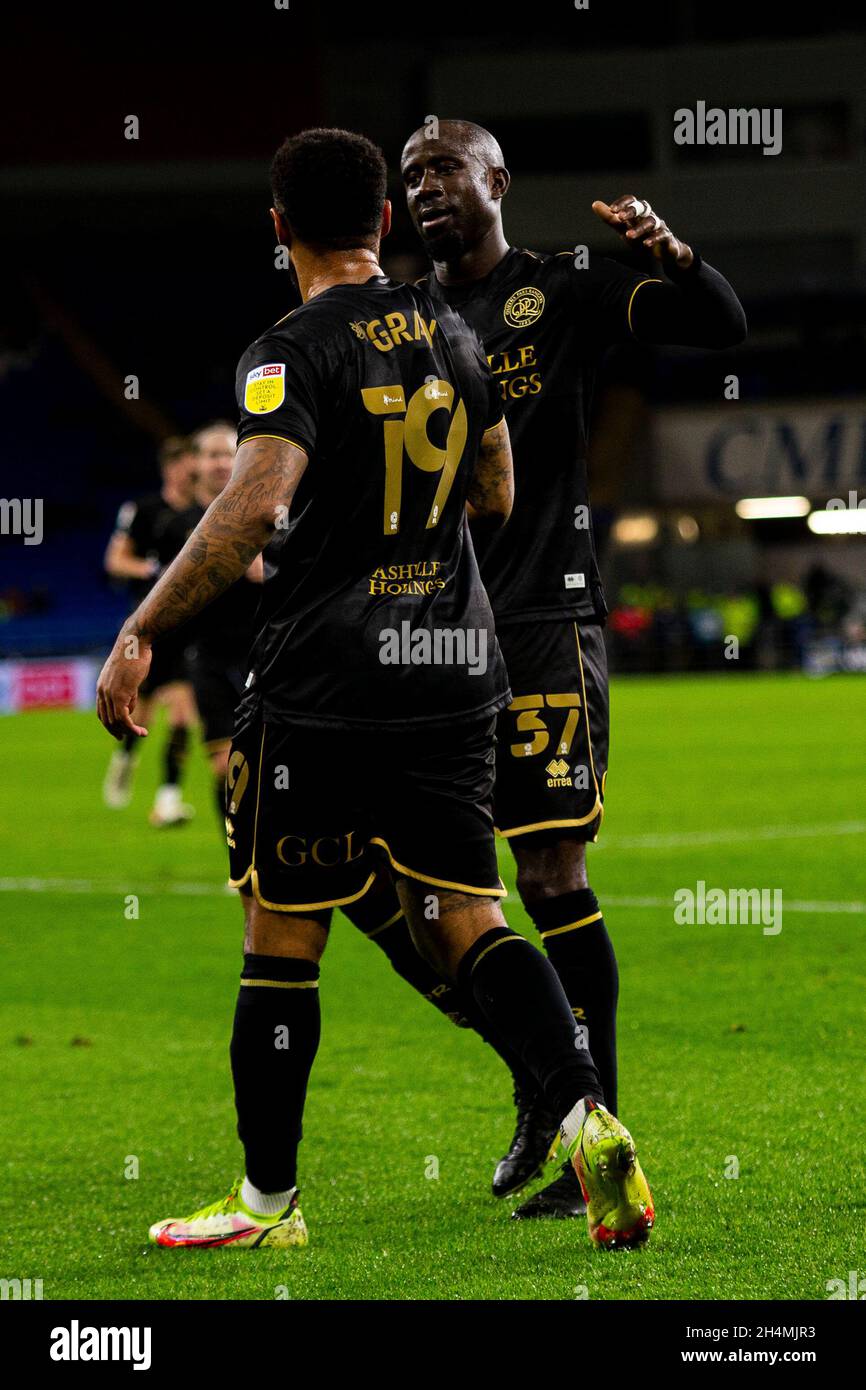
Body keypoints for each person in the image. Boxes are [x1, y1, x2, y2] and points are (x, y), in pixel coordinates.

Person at [96, 127, 654, 1253]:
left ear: (277, 228)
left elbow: (253, 505)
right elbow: (494, 489)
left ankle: (266, 1205)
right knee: (471, 913)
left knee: (281, 934)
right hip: (454, 672)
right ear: (384, 222)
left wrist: (142, 626)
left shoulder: (288, 347)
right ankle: (588, 1112)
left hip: (325, 685)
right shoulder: (452, 327)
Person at [339, 118, 747, 1218]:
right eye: (410, 173)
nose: (426, 187)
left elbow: (717, 326)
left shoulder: (559, 288)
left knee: (550, 876)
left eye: (445, 169)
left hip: (540, 621)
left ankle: (590, 1134)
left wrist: (670, 256)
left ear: (497, 182)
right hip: (429, 637)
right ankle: (543, 1087)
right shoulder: (402, 319)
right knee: (430, 897)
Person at [162, 421, 264, 828]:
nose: (221, 462)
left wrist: (271, 565)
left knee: (276, 766)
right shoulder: (177, 525)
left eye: (228, 453)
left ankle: (274, 859)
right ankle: (239, 863)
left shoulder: (266, 511)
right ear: (195, 464)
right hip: (209, 658)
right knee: (226, 769)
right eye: (211, 455)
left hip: (266, 652)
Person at [102, 435, 198, 826]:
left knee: (181, 716)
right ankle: (125, 758)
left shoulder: (203, 513)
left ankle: (168, 800)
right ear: (168, 469)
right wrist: (149, 570)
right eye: (182, 464)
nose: (189, 472)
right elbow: (115, 560)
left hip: (187, 630)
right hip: (146, 629)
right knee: (139, 716)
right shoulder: (144, 510)